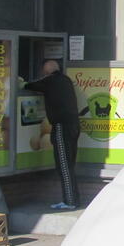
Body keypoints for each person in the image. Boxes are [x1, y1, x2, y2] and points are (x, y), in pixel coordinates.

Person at [23, 60, 81, 209]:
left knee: (63, 164)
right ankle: (73, 199)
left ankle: (70, 201)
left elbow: (30, 86)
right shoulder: (66, 80)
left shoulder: (50, 81)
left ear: (46, 72)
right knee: (70, 163)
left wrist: (22, 83)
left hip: (61, 126)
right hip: (74, 125)